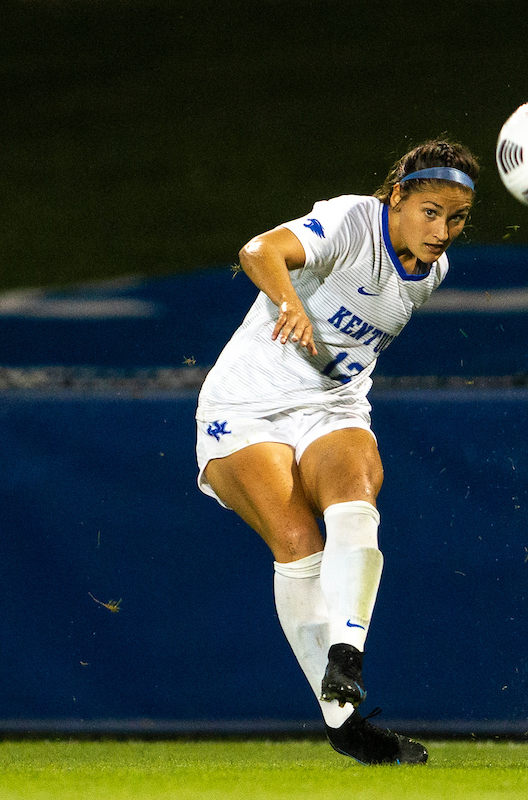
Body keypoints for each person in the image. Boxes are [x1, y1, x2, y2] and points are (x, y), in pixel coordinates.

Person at [195, 139, 480, 765]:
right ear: (398, 196)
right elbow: (259, 250)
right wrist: (289, 302)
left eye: (456, 219)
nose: (442, 231)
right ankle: (343, 723)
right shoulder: (353, 219)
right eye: (430, 211)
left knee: (355, 493)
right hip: (247, 403)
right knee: (299, 543)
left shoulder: (432, 273)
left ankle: (346, 658)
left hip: (333, 403)